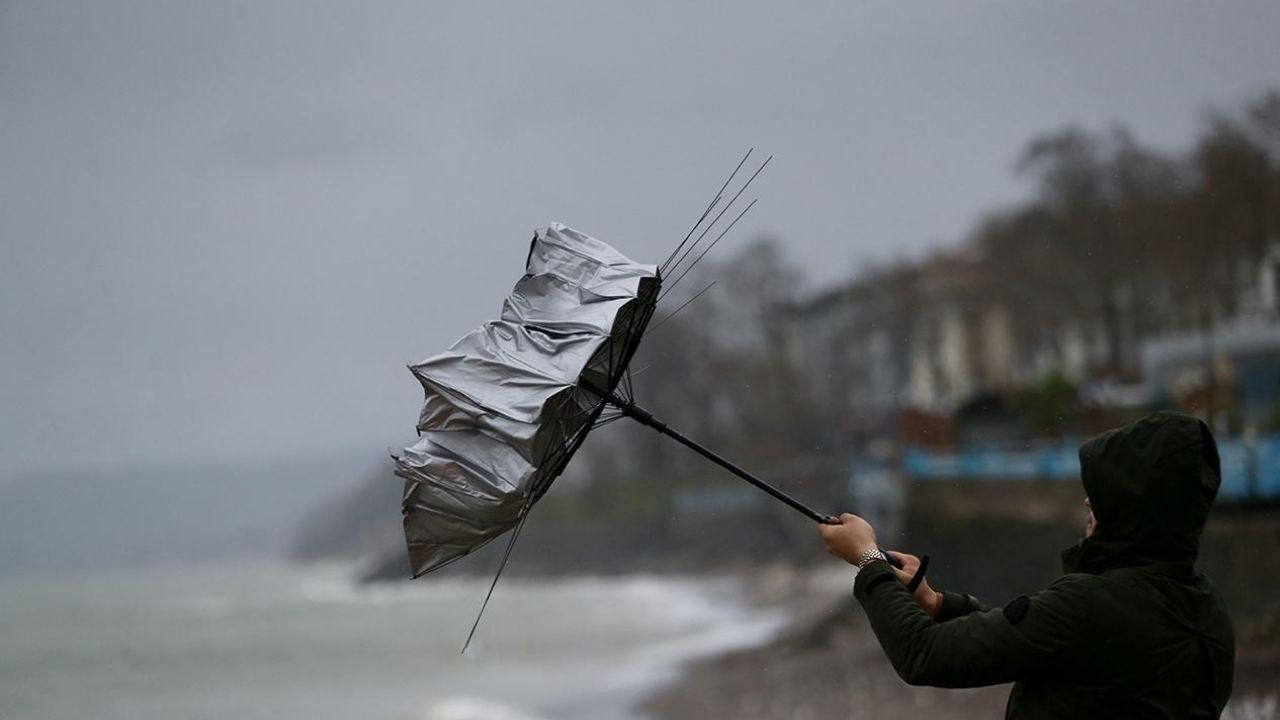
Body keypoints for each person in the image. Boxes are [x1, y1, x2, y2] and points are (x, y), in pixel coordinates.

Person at [818, 411, 1235, 719]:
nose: (1088, 501)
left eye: (1103, 493)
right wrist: (939, 604)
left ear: (1136, 508)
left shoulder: (1089, 606)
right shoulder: (1208, 611)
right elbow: (1049, 644)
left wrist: (868, 559)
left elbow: (925, 655)